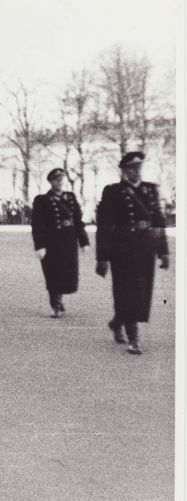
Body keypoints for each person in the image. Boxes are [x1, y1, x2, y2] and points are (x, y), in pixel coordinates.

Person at [96, 151, 169, 354]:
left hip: (146, 247)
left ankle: (118, 321)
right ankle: (134, 339)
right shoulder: (113, 191)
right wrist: (102, 257)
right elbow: (104, 225)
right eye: (132, 168)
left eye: (139, 168)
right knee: (127, 291)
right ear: (124, 170)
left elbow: (158, 222)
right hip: (123, 250)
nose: (136, 171)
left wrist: (163, 251)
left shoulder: (150, 189)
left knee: (142, 292)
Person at [32, 168, 90, 317]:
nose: (59, 182)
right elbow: (37, 224)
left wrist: (84, 241)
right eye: (56, 180)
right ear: (51, 182)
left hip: (69, 241)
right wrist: (40, 245)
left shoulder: (70, 197)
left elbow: (78, 220)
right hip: (52, 241)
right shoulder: (42, 200)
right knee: (53, 272)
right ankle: (55, 302)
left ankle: (59, 298)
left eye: (61, 179)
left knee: (67, 273)